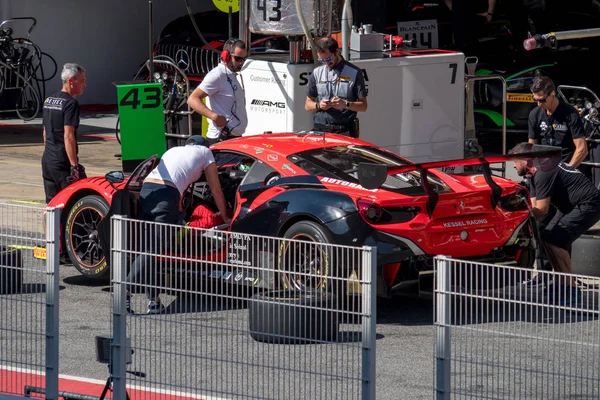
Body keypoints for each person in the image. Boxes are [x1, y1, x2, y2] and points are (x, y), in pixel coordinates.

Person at [126, 135, 230, 314]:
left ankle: (154, 302)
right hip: (166, 194)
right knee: (153, 250)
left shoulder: (173, 150)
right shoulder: (206, 152)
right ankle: (123, 291)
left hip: (147, 190)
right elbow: (216, 189)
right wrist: (226, 216)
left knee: (150, 249)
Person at [511, 142, 600, 304]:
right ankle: (560, 283)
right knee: (546, 237)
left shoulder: (543, 171)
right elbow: (534, 207)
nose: (513, 165)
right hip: (569, 206)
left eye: (515, 161)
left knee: (556, 242)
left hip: (589, 203)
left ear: (526, 161)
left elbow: (542, 210)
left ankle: (570, 288)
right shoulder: (533, 174)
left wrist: (514, 221)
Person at [187, 38, 248, 145]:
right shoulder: (217, 75)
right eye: (238, 59)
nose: (241, 63)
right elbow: (192, 99)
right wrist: (213, 116)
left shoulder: (231, 75)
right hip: (221, 137)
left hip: (234, 138)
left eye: (244, 59)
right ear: (226, 56)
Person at [41, 63, 87, 203]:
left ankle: (50, 225)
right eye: (82, 80)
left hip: (48, 160)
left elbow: (45, 133)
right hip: (62, 163)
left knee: (52, 204)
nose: (85, 84)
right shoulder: (70, 103)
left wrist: (50, 154)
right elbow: (68, 136)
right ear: (71, 81)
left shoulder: (49, 101)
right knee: (77, 200)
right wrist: (74, 166)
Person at [305, 36, 368, 137]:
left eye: (328, 59)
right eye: (322, 60)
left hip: (344, 130)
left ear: (337, 52)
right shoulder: (317, 73)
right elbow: (307, 105)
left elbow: (363, 106)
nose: (326, 63)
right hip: (321, 129)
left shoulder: (354, 72)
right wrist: (318, 105)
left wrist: (345, 104)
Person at [528, 75, 588, 168]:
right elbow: (531, 146)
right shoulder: (535, 114)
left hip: (566, 164)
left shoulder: (571, 114)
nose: (539, 104)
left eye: (542, 100)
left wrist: (567, 171)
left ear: (552, 94)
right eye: (535, 100)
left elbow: (582, 149)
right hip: (543, 167)